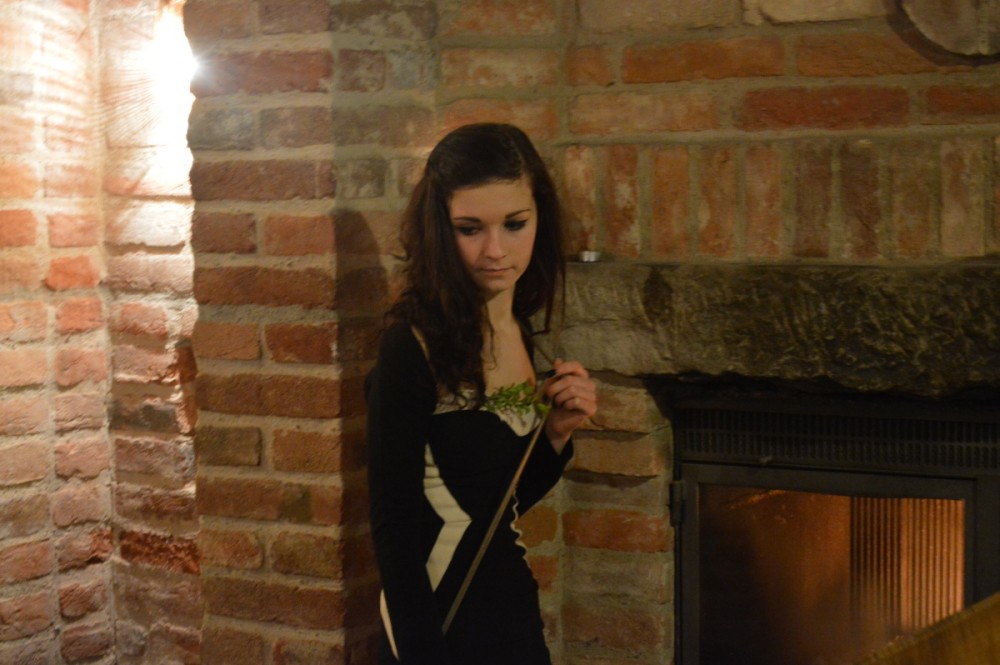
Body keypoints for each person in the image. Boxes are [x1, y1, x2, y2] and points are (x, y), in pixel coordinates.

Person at [365, 123, 598, 665]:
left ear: (539, 217)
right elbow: (395, 531)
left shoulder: (521, 331)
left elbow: (497, 504)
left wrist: (555, 435)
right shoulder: (411, 347)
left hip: (512, 614)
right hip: (434, 625)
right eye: (470, 229)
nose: (495, 250)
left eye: (515, 224)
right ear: (439, 229)